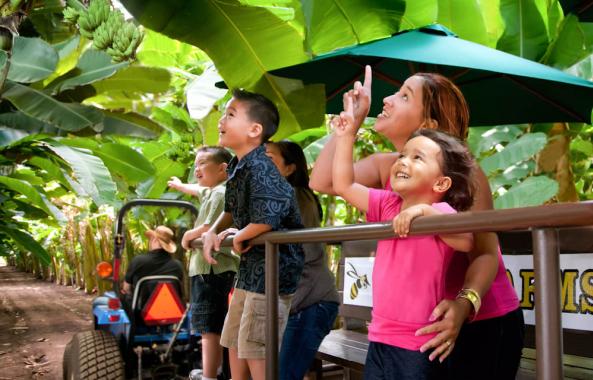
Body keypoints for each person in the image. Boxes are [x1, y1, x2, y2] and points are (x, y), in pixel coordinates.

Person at [310, 66, 523, 380]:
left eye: (404, 95)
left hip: (482, 318)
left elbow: (484, 253)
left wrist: (465, 305)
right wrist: (350, 126)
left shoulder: (463, 176)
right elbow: (324, 181)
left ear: (427, 124)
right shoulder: (388, 167)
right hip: (417, 330)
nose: (388, 99)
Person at [334, 95, 476, 378]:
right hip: (380, 337)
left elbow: (466, 240)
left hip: (419, 342)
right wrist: (346, 135)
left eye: (417, 157)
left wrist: (422, 211)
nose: (402, 162)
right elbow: (344, 184)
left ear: (441, 182)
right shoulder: (388, 204)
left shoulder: (441, 211)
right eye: (402, 155)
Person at [201, 89, 304, 380]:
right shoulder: (238, 165)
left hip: (272, 275)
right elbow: (231, 209)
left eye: (231, 114)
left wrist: (240, 235)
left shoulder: (262, 166)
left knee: (256, 348)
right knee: (234, 340)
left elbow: (269, 217)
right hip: (251, 270)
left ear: (254, 130)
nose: (222, 119)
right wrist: (212, 231)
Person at [265, 141, 340, 380]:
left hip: (310, 302)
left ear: (290, 169)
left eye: (269, 159)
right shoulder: (279, 199)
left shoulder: (298, 197)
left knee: (283, 374)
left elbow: (303, 252)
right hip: (298, 302)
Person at [168, 146, 239, 380]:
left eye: (202, 164)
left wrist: (188, 235)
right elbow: (197, 189)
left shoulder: (220, 193)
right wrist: (180, 186)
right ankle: (216, 372)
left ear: (222, 169)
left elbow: (210, 227)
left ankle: (209, 375)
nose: (196, 169)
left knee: (209, 326)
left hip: (211, 269)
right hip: (214, 268)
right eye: (195, 164)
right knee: (216, 324)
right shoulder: (213, 190)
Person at [122, 225, 184, 297]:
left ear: (154, 240)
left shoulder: (138, 261)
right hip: (170, 307)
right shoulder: (178, 265)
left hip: (143, 308)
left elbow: (126, 289)